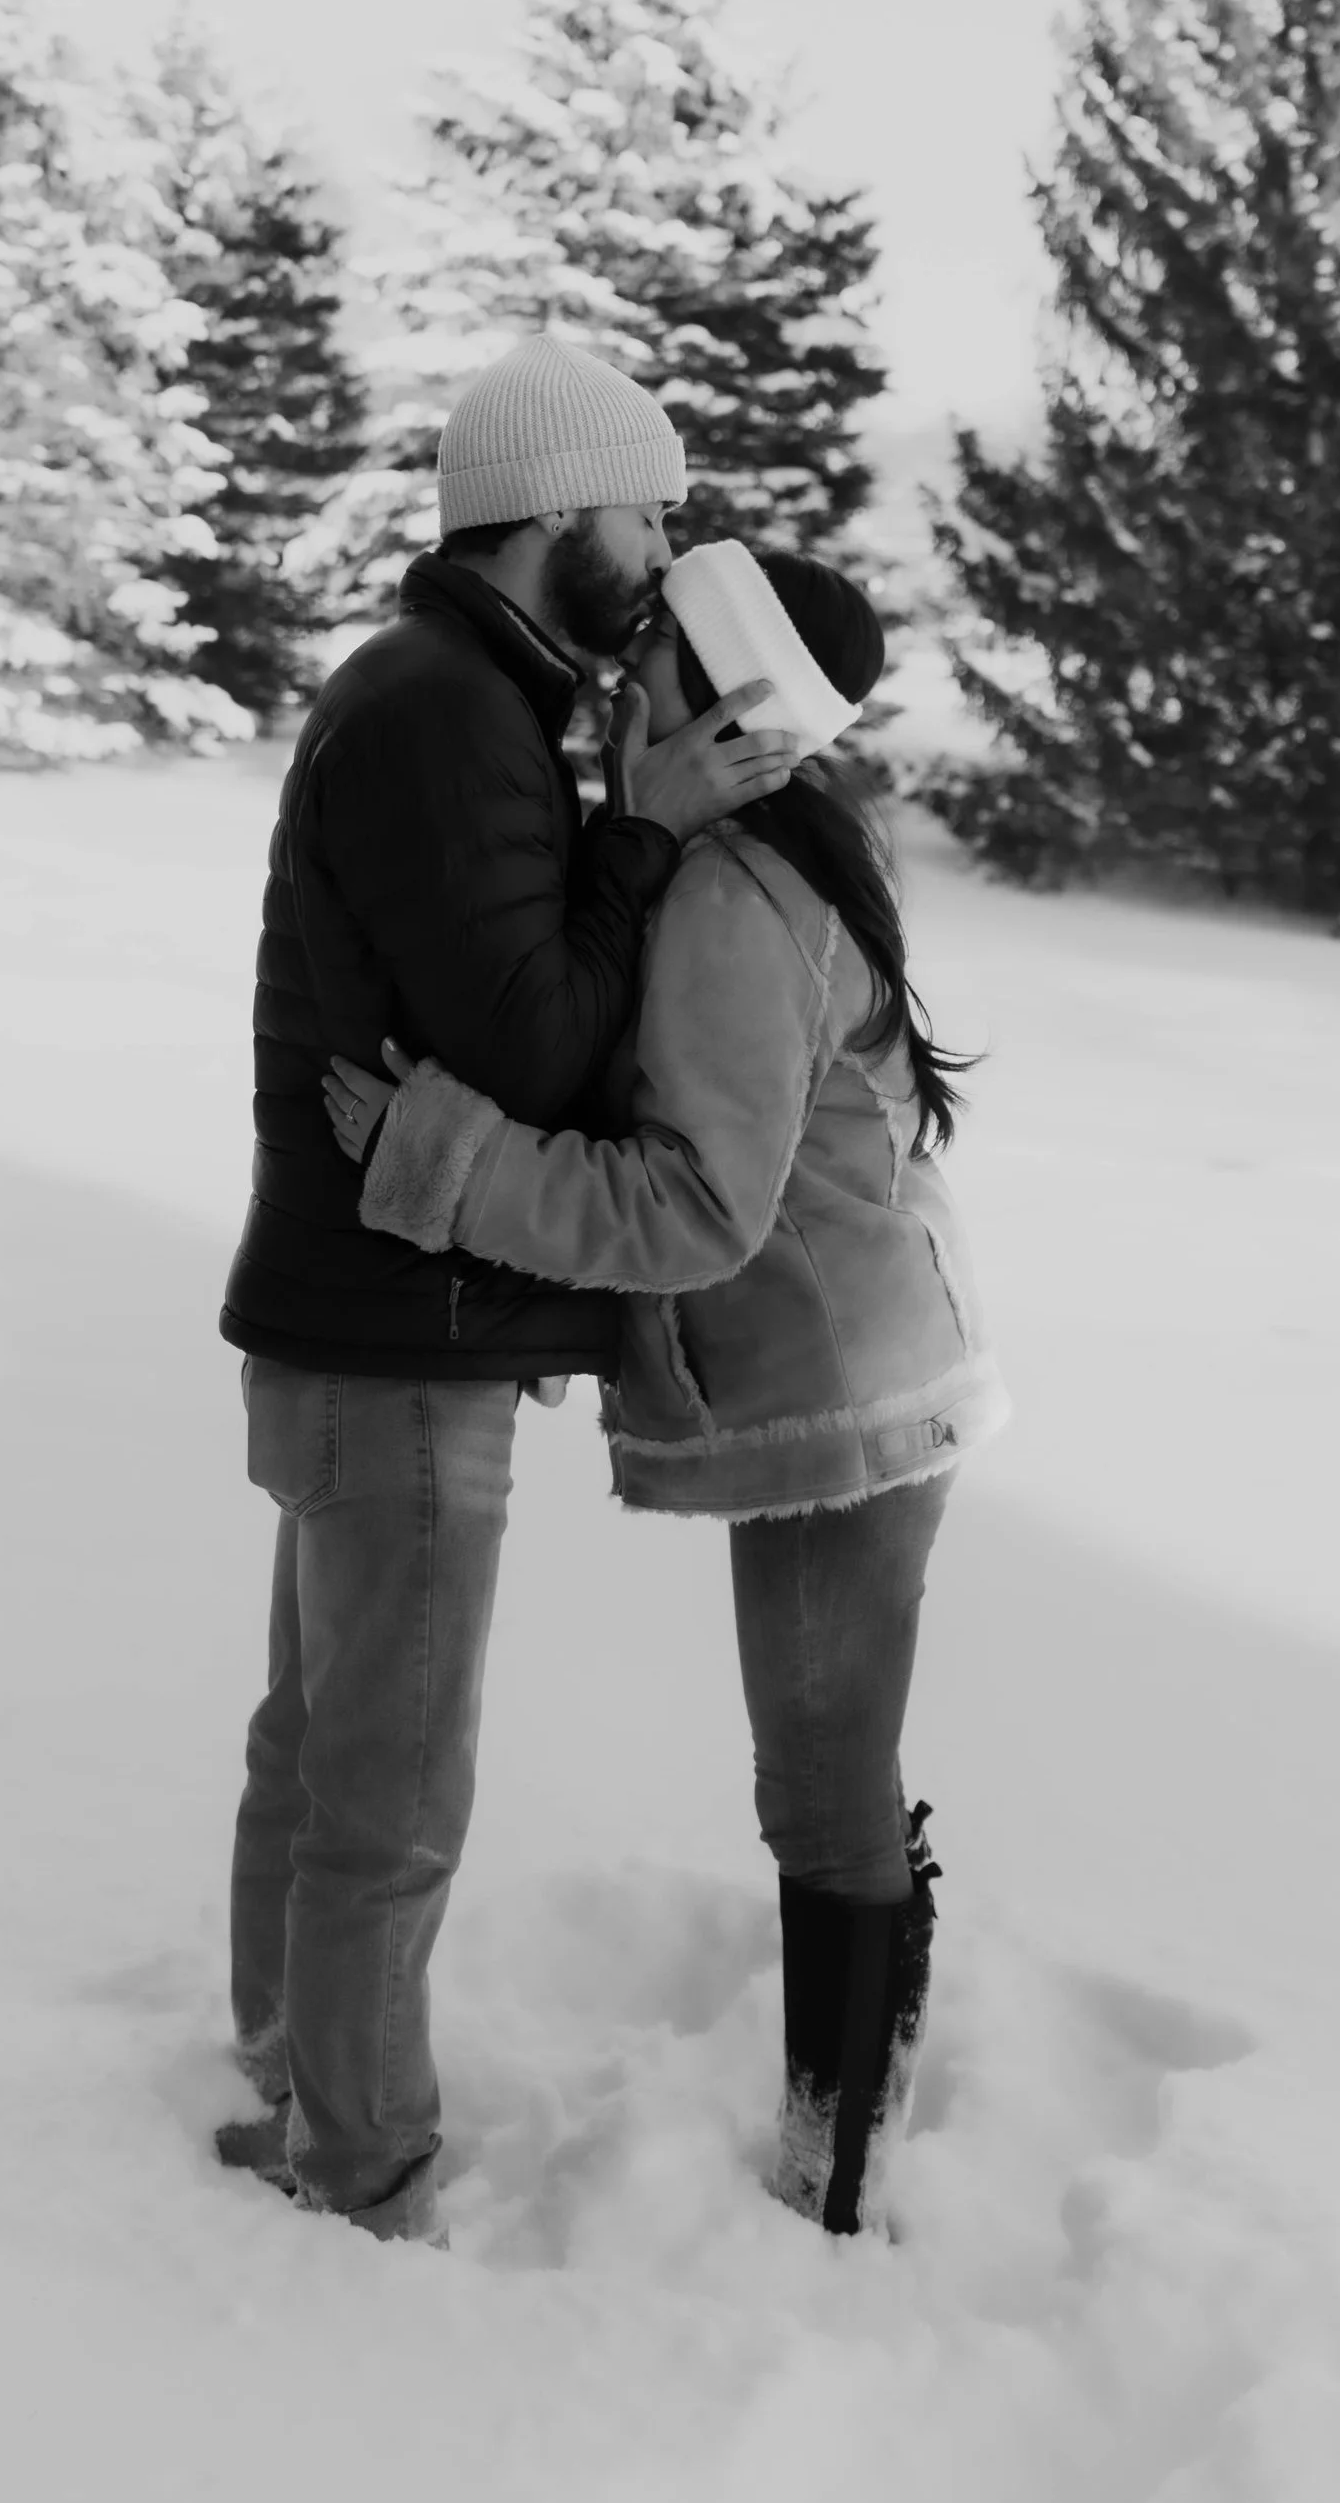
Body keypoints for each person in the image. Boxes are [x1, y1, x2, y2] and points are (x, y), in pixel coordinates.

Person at [326, 537, 1004, 2239]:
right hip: (850, 1374)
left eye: (659, 662)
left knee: (825, 1789)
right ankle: (839, 2149)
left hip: (837, 1402)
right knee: (830, 1778)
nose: (621, 683)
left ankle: (833, 2184)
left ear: (738, 704)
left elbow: (695, 1208)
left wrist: (445, 1156)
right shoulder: (757, 856)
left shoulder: (731, 905)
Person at [215, 336, 798, 2242]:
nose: (665, 539)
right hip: (394, 1336)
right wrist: (647, 830)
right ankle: (359, 2172)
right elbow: (539, 1047)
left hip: (361, 1322)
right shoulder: (447, 713)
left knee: (319, 1745)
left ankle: (294, 2081)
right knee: (386, 1787)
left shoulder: (459, 689)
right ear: (554, 513)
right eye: (646, 507)